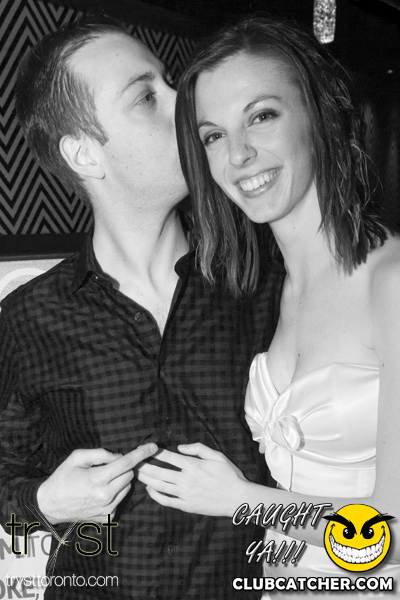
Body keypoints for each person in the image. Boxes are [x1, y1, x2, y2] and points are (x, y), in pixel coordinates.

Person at [0, 15, 284, 600]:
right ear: (84, 153)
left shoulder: (263, 282)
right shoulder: (27, 319)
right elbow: (7, 492)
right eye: (147, 97)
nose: (185, 104)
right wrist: (45, 503)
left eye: (170, 82)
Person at [137, 17, 400, 598]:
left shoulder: (391, 282)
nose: (239, 155)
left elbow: (393, 535)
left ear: (318, 114)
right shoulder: (262, 292)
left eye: (261, 116)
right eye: (213, 136)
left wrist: (241, 501)